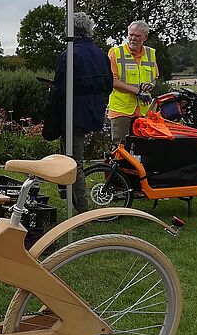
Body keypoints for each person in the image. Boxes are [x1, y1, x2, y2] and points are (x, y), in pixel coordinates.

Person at [52, 12, 113, 210]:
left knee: (73, 160)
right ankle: (66, 191)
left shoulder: (69, 53)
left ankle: (81, 207)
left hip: (73, 114)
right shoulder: (100, 54)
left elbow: (60, 89)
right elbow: (108, 84)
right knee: (70, 155)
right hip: (94, 112)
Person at [107, 20, 159, 143]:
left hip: (143, 111)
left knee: (142, 147)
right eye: (131, 35)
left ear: (145, 37)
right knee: (120, 147)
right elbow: (112, 81)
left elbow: (154, 78)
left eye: (137, 36)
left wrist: (150, 85)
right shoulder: (115, 53)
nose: (133, 38)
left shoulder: (151, 53)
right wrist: (137, 91)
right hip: (121, 110)